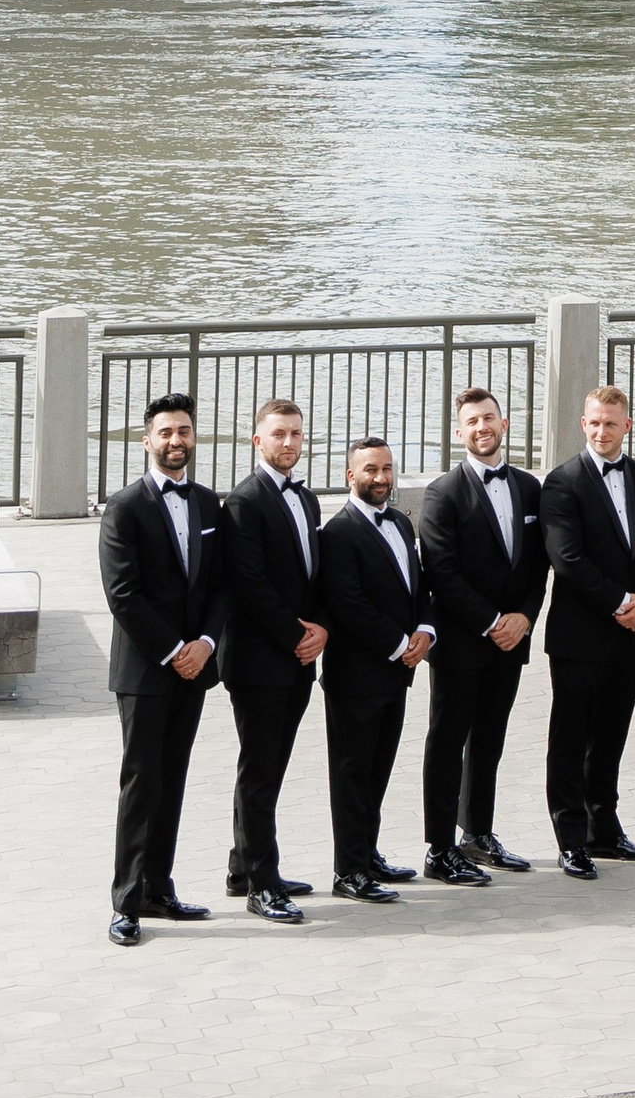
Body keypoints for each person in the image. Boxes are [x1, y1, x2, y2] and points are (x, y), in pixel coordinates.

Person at [100, 390, 230, 947]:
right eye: (166, 433)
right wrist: (175, 650)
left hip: (195, 666)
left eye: (184, 431)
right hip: (147, 670)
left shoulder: (207, 503)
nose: (176, 441)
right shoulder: (124, 507)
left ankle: (159, 887)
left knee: (172, 778)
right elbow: (122, 595)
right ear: (147, 440)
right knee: (140, 782)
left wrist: (203, 643)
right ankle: (125, 903)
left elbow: (221, 584)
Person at [418, 385, 547, 881]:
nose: (482, 428)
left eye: (489, 418)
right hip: (461, 642)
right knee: (447, 743)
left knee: (490, 739)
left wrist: (525, 617)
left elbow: (539, 564)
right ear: (460, 433)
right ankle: (437, 848)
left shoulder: (529, 488)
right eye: (472, 421)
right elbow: (441, 573)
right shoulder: (442, 493)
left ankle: (478, 834)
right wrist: (493, 622)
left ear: (504, 423)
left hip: (512, 641)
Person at [540, 383, 635, 876]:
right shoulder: (561, 482)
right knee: (570, 740)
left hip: (632, 634)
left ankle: (605, 831)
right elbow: (566, 559)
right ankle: (571, 839)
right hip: (579, 636)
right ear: (582, 424)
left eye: (610, 423)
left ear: (627, 426)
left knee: (611, 737)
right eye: (593, 422)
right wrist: (621, 601)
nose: (600, 431)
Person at [315, 436, 437, 901]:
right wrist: (398, 643)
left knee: (377, 770)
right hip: (356, 675)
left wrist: (425, 629)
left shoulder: (403, 524)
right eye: (370, 470)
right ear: (352, 476)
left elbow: (420, 585)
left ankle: (367, 853)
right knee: (351, 774)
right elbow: (348, 604)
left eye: (387, 468)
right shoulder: (338, 533)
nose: (381, 477)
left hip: (396, 671)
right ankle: (348, 870)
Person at [220, 396, 325, 919]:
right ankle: (263, 884)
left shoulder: (305, 500)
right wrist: (295, 635)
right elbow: (248, 585)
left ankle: (244, 867)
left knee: (272, 767)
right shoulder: (243, 501)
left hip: (300, 657)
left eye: (296, 435)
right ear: (257, 440)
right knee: (260, 770)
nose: (289, 443)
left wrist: (320, 629)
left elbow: (313, 575)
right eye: (279, 434)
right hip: (261, 659)